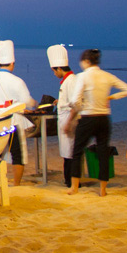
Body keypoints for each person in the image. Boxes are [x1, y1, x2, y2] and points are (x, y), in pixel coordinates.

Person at [66, 48, 127, 196]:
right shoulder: (107, 76)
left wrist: (79, 109)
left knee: (77, 151)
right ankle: (103, 189)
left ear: (86, 61)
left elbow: (75, 100)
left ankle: (74, 187)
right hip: (104, 118)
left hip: (88, 117)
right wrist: (111, 97)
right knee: (103, 152)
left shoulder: (83, 76)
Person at [0, 41, 35, 187]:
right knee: (17, 153)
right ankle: (16, 183)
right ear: (12, 63)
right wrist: (34, 104)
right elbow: (27, 102)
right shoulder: (17, 81)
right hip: (13, 121)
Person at [48, 46, 80, 188]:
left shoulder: (71, 80)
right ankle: (68, 180)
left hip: (70, 121)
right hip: (65, 120)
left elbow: (76, 103)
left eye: (54, 71)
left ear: (59, 68)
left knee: (71, 153)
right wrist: (59, 101)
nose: (54, 74)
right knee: (67, 153)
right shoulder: (67, 81)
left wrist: (69, 122)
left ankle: (72, 182)